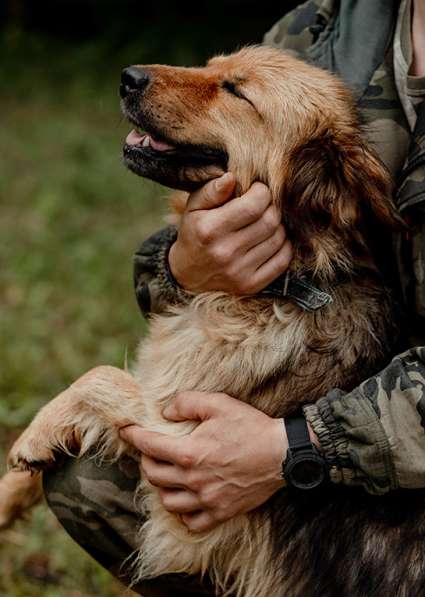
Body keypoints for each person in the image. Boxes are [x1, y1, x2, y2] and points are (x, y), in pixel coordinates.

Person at [43, 0, 425, 595]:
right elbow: (182, 249)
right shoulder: (331, 23)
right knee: (95, 472)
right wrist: (185, 263)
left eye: (232, 92)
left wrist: (296, 446)